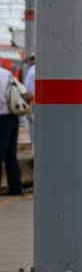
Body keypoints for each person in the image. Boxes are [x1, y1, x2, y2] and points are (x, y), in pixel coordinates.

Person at [0, 66, 24, 196]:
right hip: (12, 117)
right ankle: (15, 188)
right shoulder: (7, 73)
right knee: (10, 155)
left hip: (2, 117)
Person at [21, 54, 33, 145]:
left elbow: (28, 90)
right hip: (34, 102)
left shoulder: (32, 70)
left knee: (33, 131)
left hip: (33, 103)